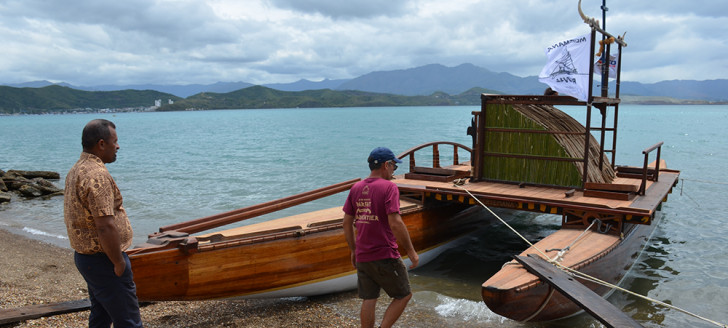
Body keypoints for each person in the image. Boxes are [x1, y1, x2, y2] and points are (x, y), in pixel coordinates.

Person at [63, 119, 143, 328]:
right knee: (129, 321)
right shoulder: (96, 175)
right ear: (101, 144)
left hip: (87, 258)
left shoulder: (77, 169)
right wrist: (118, 262)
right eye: (114, 141)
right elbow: (105, 225)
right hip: (104, 260)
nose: (118, 146)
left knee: (101, 315)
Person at [343, 147, 419, 328]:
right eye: (394, 166)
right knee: (404, 295)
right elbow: (396, 222)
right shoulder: (389, 187)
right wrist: (411, 251)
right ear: (386, 165)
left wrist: (353, 250)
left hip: (363, 254)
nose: (394, 171)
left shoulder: (356, 188)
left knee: (369, 298)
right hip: (385, 254)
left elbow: (346, 223)